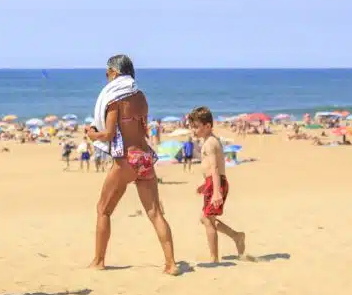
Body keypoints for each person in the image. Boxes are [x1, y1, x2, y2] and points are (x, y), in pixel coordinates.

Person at [85, 54, 177, 275]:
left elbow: (108, 134)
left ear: (115, 73)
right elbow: (142, 128)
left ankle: (99, 261)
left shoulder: (116, 99)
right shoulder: (141, 97)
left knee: (103, 210)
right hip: (145, 156)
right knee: (155, 212)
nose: (106, 77)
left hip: (127, 158)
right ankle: (171, 263)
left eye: (107, 73)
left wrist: (92, 134)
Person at [187, 106, 250, 263]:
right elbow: (210, 167)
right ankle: (236, 236)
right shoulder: (208, 141)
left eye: (196, 126)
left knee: (207, 219)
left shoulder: (210, 143)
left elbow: (215, 167)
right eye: (192, 127)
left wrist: (216, 191)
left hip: (217, 183)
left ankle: (214, 258)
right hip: (212, 182)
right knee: (207, 219)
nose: (193, 130)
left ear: (207, 126)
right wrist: (204, 183)